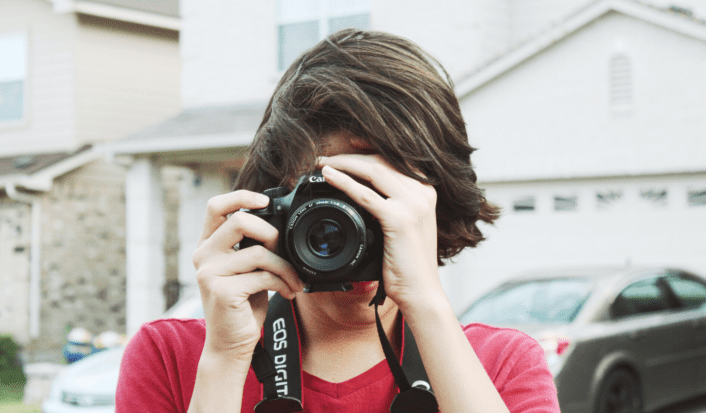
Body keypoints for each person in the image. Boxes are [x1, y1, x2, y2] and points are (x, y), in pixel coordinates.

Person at [116, 29, 560, 413]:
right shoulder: (174, 357)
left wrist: (426, 304)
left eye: (381, 199)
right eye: (332, 201)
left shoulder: (501, 364)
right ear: (273, 206)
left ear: (433, 206)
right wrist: (226, 360)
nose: (359, 232)